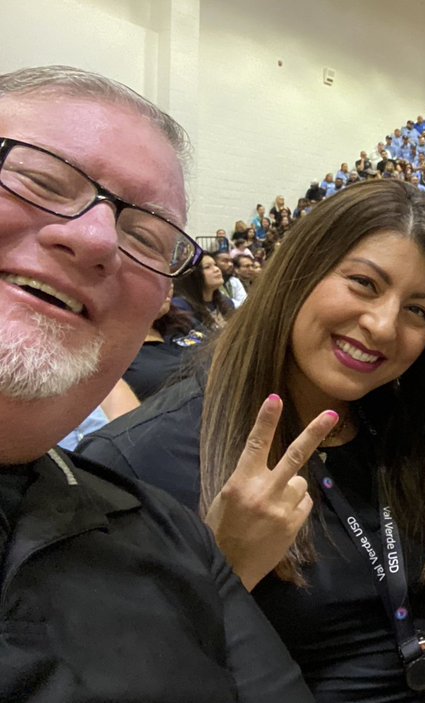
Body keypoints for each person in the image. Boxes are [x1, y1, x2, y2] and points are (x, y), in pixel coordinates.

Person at [80, 180, 425, 702]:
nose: (381, 326)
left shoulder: (414, 425)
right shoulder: (137, 459)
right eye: (363, 284)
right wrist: (224, 566)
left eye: (418, 310)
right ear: (298, 272)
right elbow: (127, 678)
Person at [0, 64, 316, 701]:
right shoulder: (148, 448)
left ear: (158, 302)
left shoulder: (173, 534)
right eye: (39, 181)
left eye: (143, 235)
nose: (95, 239)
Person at [174, 252, 235, 332]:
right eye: (207, 267)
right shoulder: (181, 306)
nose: (217, 269)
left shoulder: (226, 302)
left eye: (215, 265)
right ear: (193, 275)